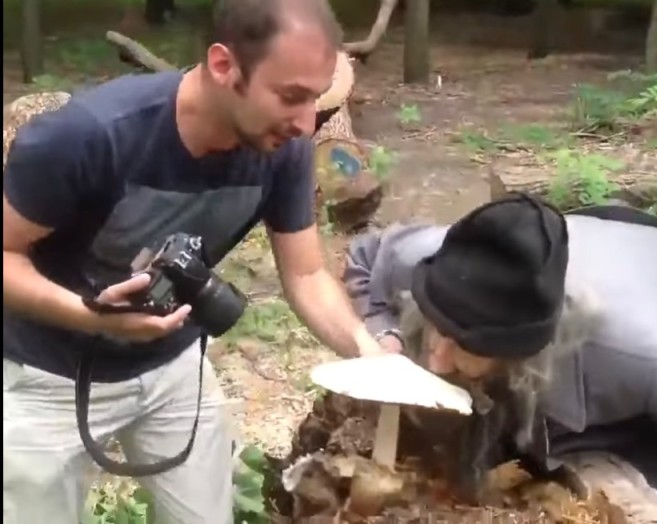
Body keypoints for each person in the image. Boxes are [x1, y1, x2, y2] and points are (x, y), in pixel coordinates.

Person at [2, 1, 388, 523]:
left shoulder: (284, 147)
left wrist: (371, 354)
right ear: (224, 65)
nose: (304, 124)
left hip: (172, 370)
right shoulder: (91, 136)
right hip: (45, 373)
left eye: (316, 100)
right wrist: (87, 314)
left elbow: (306, 273)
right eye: (290, 97)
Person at [341, 193, 657, 524]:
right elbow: (364, 260)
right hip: (590, 244)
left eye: (462, 343)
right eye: (438, 325)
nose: (436, 360)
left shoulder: (650, 351)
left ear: (524, 350)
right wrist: (388, 337)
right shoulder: (432, 257)